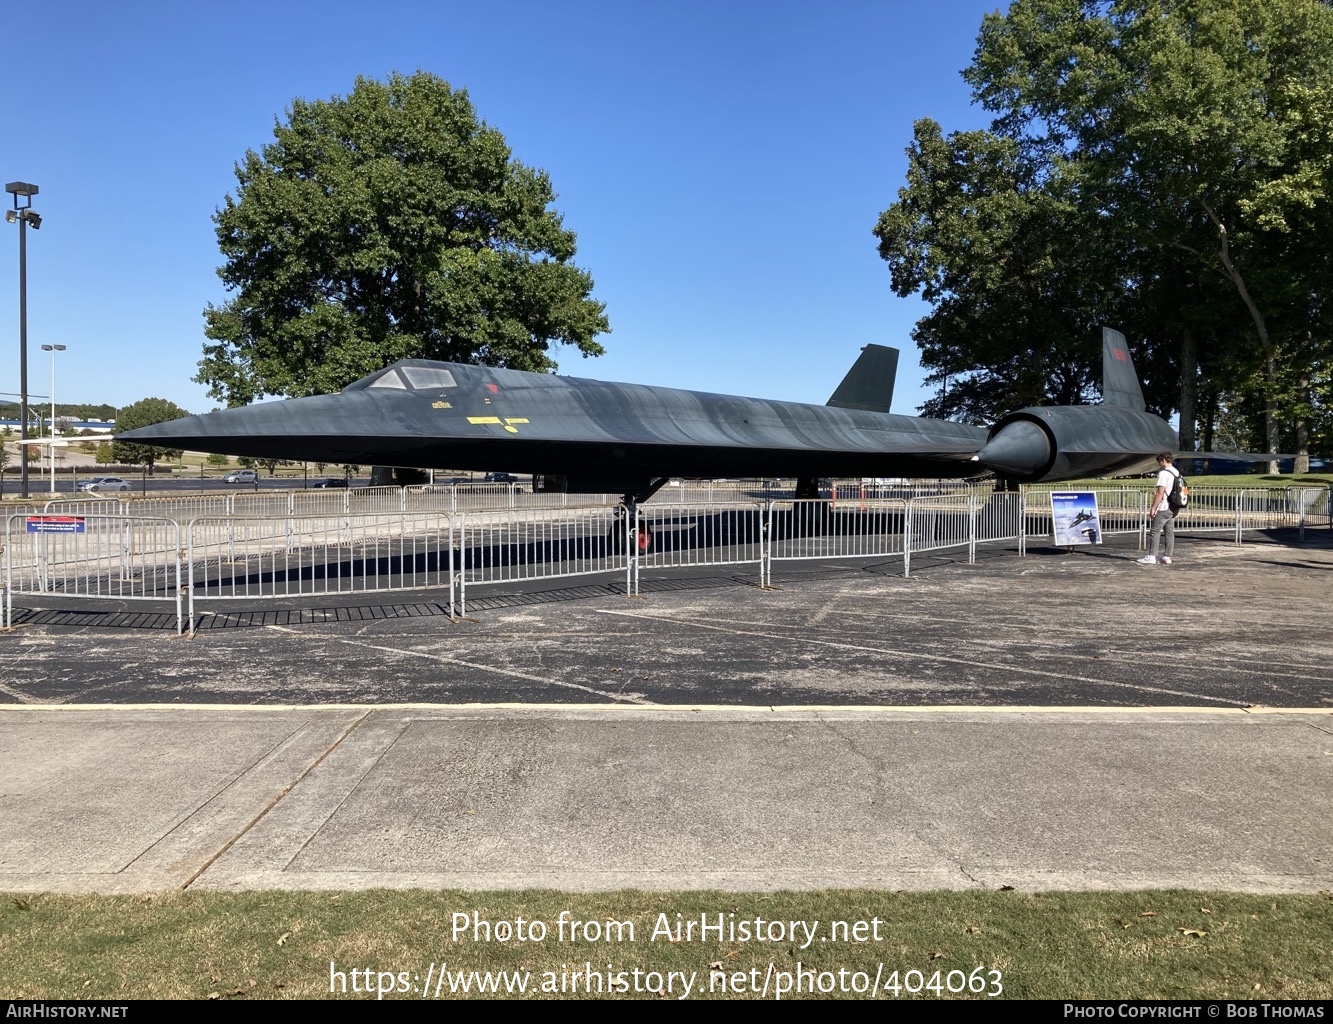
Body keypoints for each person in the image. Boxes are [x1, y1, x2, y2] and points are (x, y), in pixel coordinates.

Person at [1137, 452, 1179, 565]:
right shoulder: (1177, 472)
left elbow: (1160, 492)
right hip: (1174, 506)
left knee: (1154, 531)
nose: (1159, 464)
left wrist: (1153, 507)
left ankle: (1151, 556)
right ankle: (1167, 556)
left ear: (1163, 460)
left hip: (1164, 505)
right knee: (1169, 531)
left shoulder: (1164, 474)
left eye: (1159, 462)